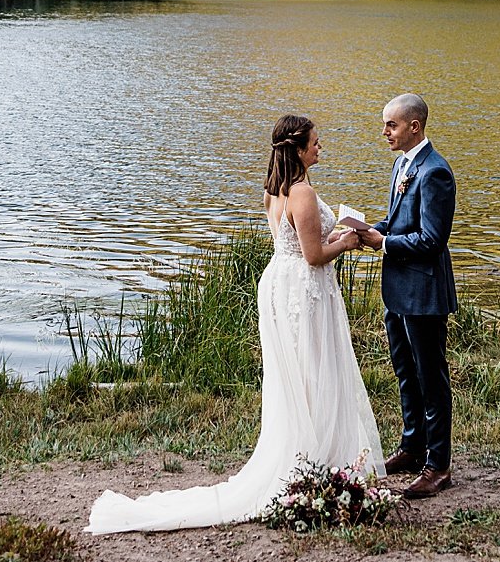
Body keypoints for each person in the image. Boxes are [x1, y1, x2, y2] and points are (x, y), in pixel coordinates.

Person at [86, 114, 382, 534]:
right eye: (316, 143)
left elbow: (290, 245)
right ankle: (319, 460)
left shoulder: (273, 191)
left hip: (282, 283)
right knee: (316, 369)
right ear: (298, 149)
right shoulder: (302, 191)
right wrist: (349, 240)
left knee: (297, 373)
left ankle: (312, 456)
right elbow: (314, 255)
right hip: (305, 290)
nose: (321, 148)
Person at [355, 93, 456, 499]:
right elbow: (398, 222)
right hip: (397, 289)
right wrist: (363, 230)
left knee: (431, 376)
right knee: (404, 370)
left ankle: (439, 465)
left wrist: (383, 243)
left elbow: (432, 240)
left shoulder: (436, 173)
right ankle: (412, 448)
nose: (384, 133)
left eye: (390, 126)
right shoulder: (402, 164)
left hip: (424, 292)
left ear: (414, 126)